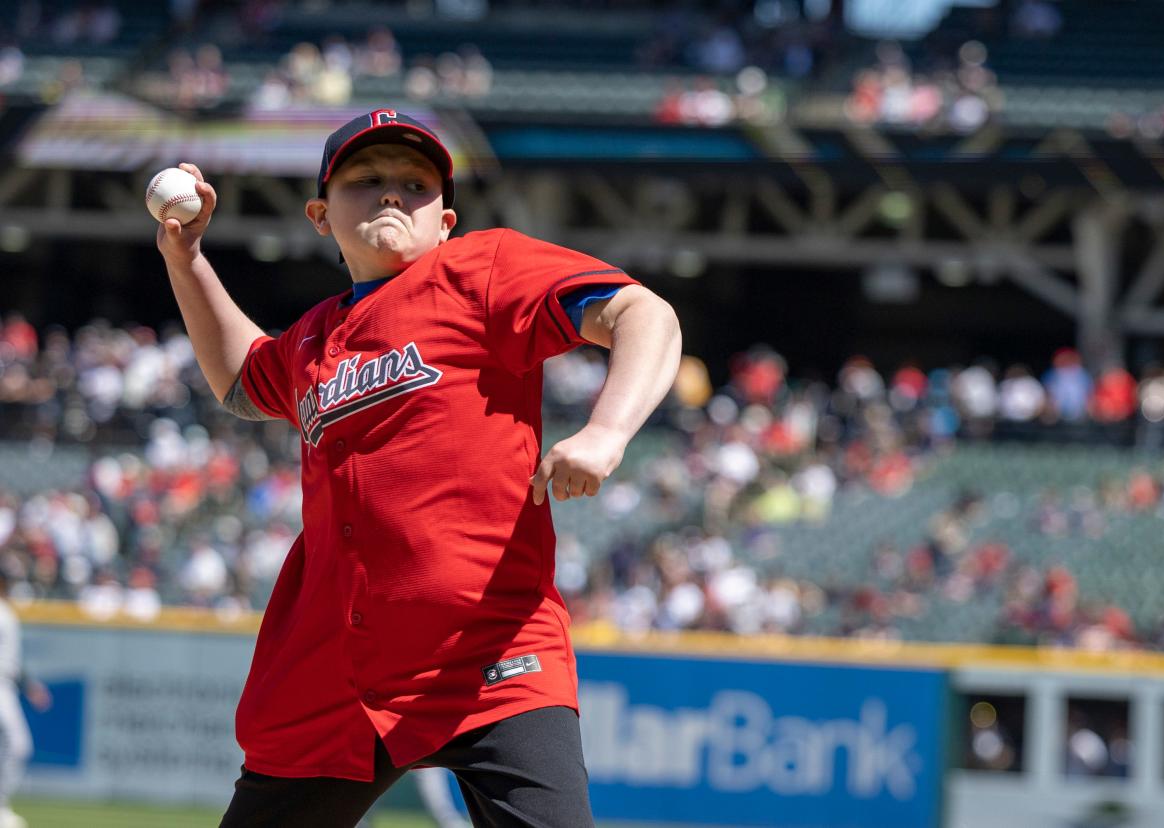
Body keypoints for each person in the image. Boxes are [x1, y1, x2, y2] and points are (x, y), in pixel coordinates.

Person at [154, 109, 681, 827]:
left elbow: (643, 314)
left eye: (415, 183)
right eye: (365, 181)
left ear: (447, 221)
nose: (391, 194)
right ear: (319, 215)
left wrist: (607, 431)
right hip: (332, 673)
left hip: (491, 654)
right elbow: (243, 379)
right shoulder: (313, 338)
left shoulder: (480, 271)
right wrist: (185, 259)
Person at [0, 573, 52, 828]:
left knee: (19, 746)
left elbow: (10, 662)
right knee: (18, 745)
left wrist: (29, 686)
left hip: (5, 686)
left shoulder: (6, 613)